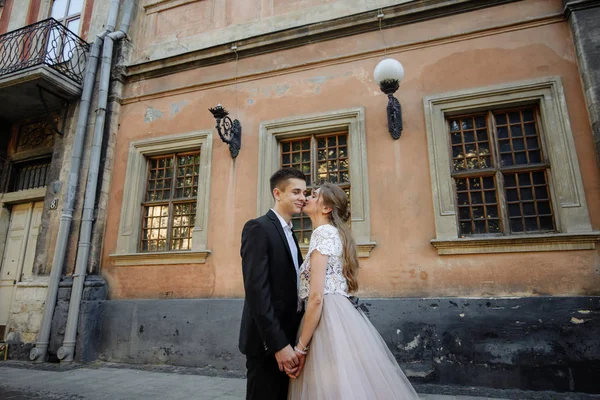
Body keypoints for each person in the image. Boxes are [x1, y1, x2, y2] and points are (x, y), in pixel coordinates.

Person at [288, 183, 420, 399]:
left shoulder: (322, 233)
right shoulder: (333, 234)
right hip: (339, 315)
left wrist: (300, 347)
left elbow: (316, 297)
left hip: (325, 318)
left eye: (314, 195)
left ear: (327, 208)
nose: (307, 198)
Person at [239, 167, 307, 400]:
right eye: (296, 192)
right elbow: (257, 292)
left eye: (305, 193)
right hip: (266, 344)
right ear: (278, 194)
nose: (303, 198)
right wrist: (279, 346)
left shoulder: (290, 232)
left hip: (289, 338)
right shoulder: (258, 228)